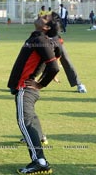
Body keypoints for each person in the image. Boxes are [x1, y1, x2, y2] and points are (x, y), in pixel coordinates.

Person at [7, 14, 61, 174]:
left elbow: (54, 67)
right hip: (25, 88)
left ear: (46, 27)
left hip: (26, 88)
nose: (40, 15)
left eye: (44, 18)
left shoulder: (41, 40)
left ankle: (40, 162)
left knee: (25, 122)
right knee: (32, 119)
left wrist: (40, 83)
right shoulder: (39, 37)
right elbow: (57, 51)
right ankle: (41, 138)